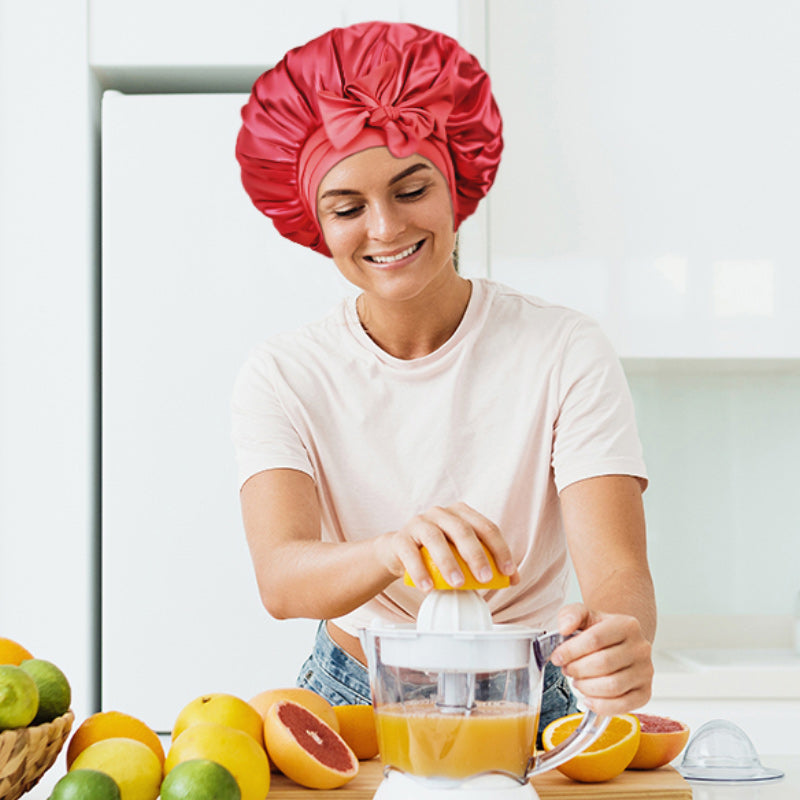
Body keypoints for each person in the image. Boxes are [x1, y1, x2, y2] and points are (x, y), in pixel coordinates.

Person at [232, 21, 655, 735]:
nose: (385, 228)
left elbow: (616, 569)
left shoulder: (564, 348)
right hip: (351, 691)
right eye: (347, 208)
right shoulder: (283, 373)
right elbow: (280, 577)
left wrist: (618, 637)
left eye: (410, 189)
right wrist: (393, 550)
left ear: (457, 184)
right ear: (315, 222)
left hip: (527, 691)